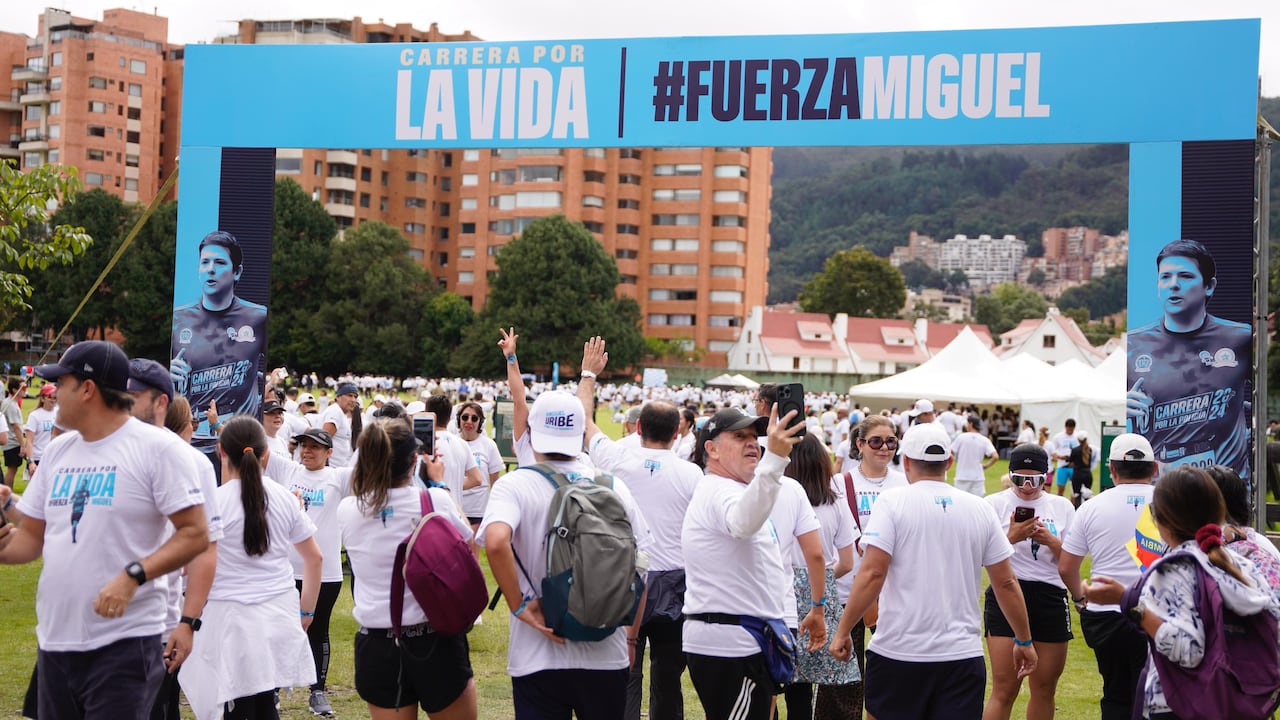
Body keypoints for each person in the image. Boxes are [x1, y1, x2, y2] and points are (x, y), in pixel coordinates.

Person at [0, 340, 209, 719]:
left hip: (124, 642)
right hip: (56, 641)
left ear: (87, 389)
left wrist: (133, 575)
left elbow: (195, 533)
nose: (52, 394)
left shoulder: (158, 449)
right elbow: (31, 538)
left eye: (60, 383)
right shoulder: (59, 451)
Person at [829, 423, 1037, 720]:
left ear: (906, 462)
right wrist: (1024, 639)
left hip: (898, 651)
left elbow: (873, 573)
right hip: (960, 654)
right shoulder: (979, 508)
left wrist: (843, 630)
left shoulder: (892, 502)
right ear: (949, 462)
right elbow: (1005, 581)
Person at [479, 389, 653, 719]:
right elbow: (642, 562)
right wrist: (630, 641)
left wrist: (519, 606)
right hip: (606, 649)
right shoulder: (612, 486)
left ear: (533, 432)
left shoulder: (515, 485)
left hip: (538, 650)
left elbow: (496, 541)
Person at [1083, 465, 1280, 720]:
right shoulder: (1242, 563)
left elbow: (1187, 650)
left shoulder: (1172, 571)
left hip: (1180, 703)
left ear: (1162, 521)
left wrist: (1130, 604)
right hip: (1237, 700)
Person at [576, 337, 701, 720]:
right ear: (677, 433)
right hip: (674, 580)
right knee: (668, 676)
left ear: (638, 427)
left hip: (627, 575)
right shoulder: (691, 474)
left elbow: (584, 421)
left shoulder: (617, 458)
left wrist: (588, 374)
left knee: (626, 669)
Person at [179, 416, 321, 720]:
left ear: (221, 451)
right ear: (265, 453)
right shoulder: (284, 498)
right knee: (263, 701)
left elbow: (194, 563)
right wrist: (307, 611)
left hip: (229, 617)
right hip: (276, 613)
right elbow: (314, 558)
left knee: (238, 704)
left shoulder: (215, 502)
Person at [337, 418, 479, 720]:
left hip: (378, 643)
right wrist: (438, 483)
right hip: (434, 638)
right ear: (415, 461)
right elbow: (468, 540)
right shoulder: (434, 499)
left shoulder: (348, 509)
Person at [681, 403, 811, 720]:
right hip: (730, 643)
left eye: (754, 436)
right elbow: (742, 523)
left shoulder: (732, 489)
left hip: (742, 638)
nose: (752, 443)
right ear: (711, 449)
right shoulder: (719, 490)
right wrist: (775, 460)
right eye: (740, 436)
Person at [126, 358, 225, 720]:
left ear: (160, 403)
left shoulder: (190, 461)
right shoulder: (101, 448)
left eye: (133, 395)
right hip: (87, 626)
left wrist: (188, 621)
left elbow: (205, 545)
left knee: (158, 705)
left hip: (152, 619)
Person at [1127, 239, 1252, 479]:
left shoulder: (1241, 338)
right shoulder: (1133, 344)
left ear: (1209, 286)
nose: (1173, 285)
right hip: (1162, 488)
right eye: (1165, 277)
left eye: (1185, 276)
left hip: (1226, 488)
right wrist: (1120, 405)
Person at [1057, 433, 1158, 720]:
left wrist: (1080, 599)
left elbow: (1066, 567)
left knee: (1115, 694)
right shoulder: (1173, 503)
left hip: (1105, 616)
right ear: (1154, 468)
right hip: (1155, 615)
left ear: (1112, 469)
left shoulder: (1091, 507)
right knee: (1154, 698)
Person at [817, 413, 907, 718]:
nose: (884, 448)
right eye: (876, 441)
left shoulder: (905, 483)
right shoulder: (839, 483)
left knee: (893, 673)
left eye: (891, 441)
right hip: (847, 591)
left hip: (893, 591)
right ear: (860, 444)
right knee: (842, 680)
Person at [263, 426, 353, 717]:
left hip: (326, 572)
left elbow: (375, 470)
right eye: (303, 445)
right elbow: (252, 445)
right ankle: (273, 690)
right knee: (281, 630)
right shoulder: (288, 470)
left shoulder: (338, 477)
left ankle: (317, 692)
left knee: (317, 630)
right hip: (287, 570)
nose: (307, 451)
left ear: (329, 452)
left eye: (315, 446)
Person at [983, 444, 1076, 720]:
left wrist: (1051, 541)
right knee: (1004, 689)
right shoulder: (993, 504)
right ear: (1010, 475)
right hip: (1006, 593)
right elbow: (979, 557)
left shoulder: (1061, 506)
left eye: (1034, 480)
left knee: (1045, 688)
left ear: (1046, 477)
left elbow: (1071, 561)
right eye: (1019, 479)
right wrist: (1011, 537)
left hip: (1050, 596)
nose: (1026, 487)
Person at [170, 230, 268, 469]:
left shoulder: (258, 317)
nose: (211, 269)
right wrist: (168, 374)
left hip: (238, 444)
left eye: (220, 262)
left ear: (237, 272)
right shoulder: (179, 319)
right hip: (191, 444)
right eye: (205, 262)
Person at [788, 432, 859, 720]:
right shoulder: (835, 501)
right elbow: (847, 561)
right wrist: (822, 580)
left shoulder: (782, 500)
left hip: (783, 591)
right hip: (821, 597)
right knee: (814, 682)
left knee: (780, 681)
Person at [455, 399, 503, 534]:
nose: (469, 421)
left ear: (480, 422)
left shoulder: (489, 445)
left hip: (478, 510)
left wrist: (496, 507)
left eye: (474, 418)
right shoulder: (451, 442)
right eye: (465, 417)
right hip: (455, 507)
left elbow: (495, 480)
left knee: (472, 547)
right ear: (459, 419)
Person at [22, 383, 60, 481]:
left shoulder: (59, 413)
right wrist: (31, 462)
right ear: (42, 398)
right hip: (38, 458)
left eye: (55, 397)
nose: (53, 400)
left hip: (54, 457)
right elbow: (29, 441)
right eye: (50, 396)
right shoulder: (35, 416)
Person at [952, 414, 998, 497]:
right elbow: (995, 456)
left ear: (971, 424)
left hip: (962, 475)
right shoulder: (984, 439)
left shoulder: (961, 437)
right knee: (977, 502)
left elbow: (951, 452)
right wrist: (986, 466)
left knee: (959, 501)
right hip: (978, 476)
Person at [320, 382, 361, 468]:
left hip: (338, 468)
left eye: (355, 397)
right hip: (332, 469)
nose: (353, 400)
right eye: (349, 395)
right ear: (338, 397)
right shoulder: (335, 412)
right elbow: (323, 441)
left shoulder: (341, 413)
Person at [2, 378, 26, 487]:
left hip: (13, 441)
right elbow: (15, 426)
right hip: (12, 443)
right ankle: (6, 493)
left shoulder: (13, 403)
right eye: (23, 388)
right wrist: (22, 445)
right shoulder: (10, 404)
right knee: (12, 469)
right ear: (15, 390)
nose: (25, 390)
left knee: (13, 469)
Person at [1050, 420, 1078, 498]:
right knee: (1060, 489)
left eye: (1071, 430)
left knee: (1074, 490)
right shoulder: (1058, 437)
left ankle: (1073, 504)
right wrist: (1060, 457)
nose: (1070, 431)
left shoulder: (1077, 436)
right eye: (1068, 429)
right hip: (1062, 466)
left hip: (1074, 467)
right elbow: (1052, 450)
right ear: (1065, 427)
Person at [1067, 431, 1095, 508]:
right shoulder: (1089, 449)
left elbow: (1071, 462)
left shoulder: (1075, 450)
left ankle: (1078, 512)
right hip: (1088, 475)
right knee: (1087, 495)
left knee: (1077, 496)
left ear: (1078, 439)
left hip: (1077, 475)